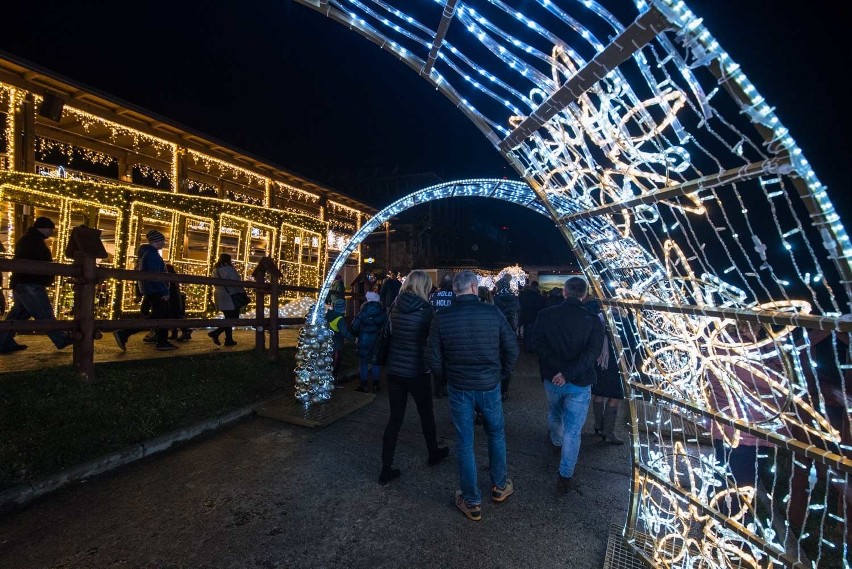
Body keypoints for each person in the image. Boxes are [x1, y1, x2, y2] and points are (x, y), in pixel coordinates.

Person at [427, 270, 519, 521]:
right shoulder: (492, 313)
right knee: (496, 434)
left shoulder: (442, 317)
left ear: (455, 290)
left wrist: (445, 379)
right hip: (489, 385)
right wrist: (501, 375)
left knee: (465, 442)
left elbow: (433, 357)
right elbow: (512, 348)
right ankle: (500, 486)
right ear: (474, 287)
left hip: (460, 386)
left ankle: (471, 500)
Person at [530, 276, 604, 495]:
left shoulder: (546, 315)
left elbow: (538, 345)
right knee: (574, 430)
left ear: (564, 292)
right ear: (584, 294)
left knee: (555, 412)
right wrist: (568, 373)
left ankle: (555, 441)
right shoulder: (591, 320)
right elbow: (592, 353)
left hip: (553, 379)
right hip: (579, 381)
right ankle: (565, 475)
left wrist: (557, 372)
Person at [379, 270, 449, 484]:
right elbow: (434, 340)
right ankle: (432, 452)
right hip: (417, 369)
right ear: (424, 286)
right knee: (426, 414)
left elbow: (389, 336)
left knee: (395, 418)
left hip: (395, 370)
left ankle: (386, 467)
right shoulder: (426, 309)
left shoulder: (394, 306)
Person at [0, 216, 73, 354]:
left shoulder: (29, 239)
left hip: (22, 282)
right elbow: (39, 262)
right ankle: (61, 338)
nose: (52, 232)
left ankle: (3, 341)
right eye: (50, 229)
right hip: (30, 283)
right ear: (44, 228)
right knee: (44, 312)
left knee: (19, 314)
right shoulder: (34, 241)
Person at [113, 230, 176, 352]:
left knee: (159, 315)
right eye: (162, 240)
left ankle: (159, 339)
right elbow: (155, 276)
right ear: (156, 241)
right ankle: (127, 333)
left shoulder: (145, 254)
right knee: (161, 316)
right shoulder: (152, 255)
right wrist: (165, 291)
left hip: (149, 289)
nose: (164, 243)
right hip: (155, 290)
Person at [584, 297, 624, 445]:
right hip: (615, 363)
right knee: (616, 396)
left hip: (599, 361)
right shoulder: (621, 320)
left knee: (599, 393)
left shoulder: (598, 318)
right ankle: (608, 430)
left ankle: (598, 425)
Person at [350, 290, 386, 393]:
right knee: (375, 362)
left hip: (364, 339)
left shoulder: (363, 311)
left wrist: (355, 335)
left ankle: (364, 385)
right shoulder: (382, 311)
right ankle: (376, 385)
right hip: (377, 340)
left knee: (363, 363)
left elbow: (354, 325)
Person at [207, 253, 244, 347]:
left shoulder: (216, 269)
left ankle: (228, 339)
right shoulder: (229, 269)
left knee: (228, 317)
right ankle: (217, 333)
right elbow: (236, 281)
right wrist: (242, 292)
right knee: (233, 318)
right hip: (230, 296)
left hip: (220, 295)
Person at [492, 274, 519, 401]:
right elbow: (517, 314)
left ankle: (495, 388)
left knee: (496, 359)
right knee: (507, 362)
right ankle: (504, 391)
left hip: (497, 332)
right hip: (510, 332)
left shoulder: (495, 298)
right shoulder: (514, 298)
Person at [325, 297, 352, 381]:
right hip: (337, 341)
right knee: (336, 359)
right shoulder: (340, 319)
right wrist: (353, 339)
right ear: (343, 308)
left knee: (327, 359)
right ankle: (333, 377)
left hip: (327, 340)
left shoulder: (327, 315)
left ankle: (326, 376)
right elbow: (344, 332)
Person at [165, 264, 192, 342]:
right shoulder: (174, 278)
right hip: (176, 300)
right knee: (175, 316)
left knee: (174, 316)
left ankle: (185, 330)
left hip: (172, 301)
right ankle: (178, 333)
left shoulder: (168, 278)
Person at [518, 280, 545, 351]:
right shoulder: (537, 296)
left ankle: (525, 346)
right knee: (531, 332)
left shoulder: (522, 295)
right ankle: (529, 347)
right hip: (533, 316)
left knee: (526, 331)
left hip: (524, 315)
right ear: (536, 286)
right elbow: (540, 306)